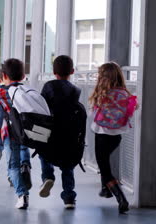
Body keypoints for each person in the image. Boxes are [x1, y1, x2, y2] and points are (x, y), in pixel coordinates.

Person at [0, 58, 32, 209]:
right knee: (24, 150)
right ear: (23, 76)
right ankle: (26, 165)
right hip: (26, 131)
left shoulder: (2, 91)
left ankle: (22, 195)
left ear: (4, 76)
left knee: (12, 166)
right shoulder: (26, 90)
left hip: (10, 132)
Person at [89, 62, 137, 214]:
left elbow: (93, 113)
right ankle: (106, 189)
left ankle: (121, 198)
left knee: (104, 167)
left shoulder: (102, 93)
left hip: (101, 134)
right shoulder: (124, 93)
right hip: (116, 136)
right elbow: (131, 109)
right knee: (105, 163)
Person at [38, 55, 80, 209]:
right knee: (67, 167)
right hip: (69, 135)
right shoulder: (76, 90)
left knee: (43, 153)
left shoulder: (48, 86)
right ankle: (69, 197)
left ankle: (48, 176)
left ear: (54, 71)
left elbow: (41, 107)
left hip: (50, 133)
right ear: (72, 71)